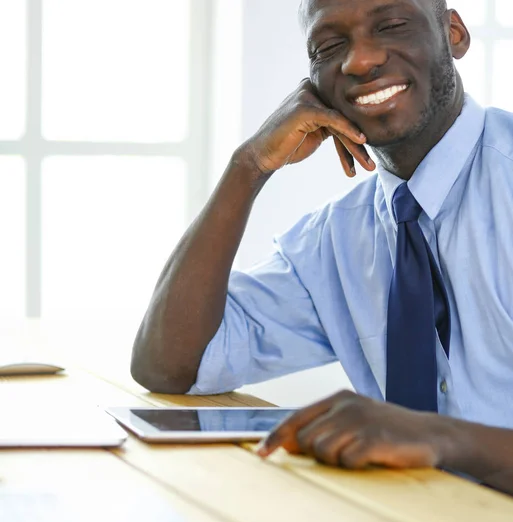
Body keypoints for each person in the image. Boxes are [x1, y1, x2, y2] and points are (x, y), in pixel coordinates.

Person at [131, 0, 513, 494]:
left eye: (391, 25)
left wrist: (437, 439)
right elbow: (169, 366)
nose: (359, 60)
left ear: (454, 34)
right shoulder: (337, 241)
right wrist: (248, 167)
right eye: (329, 46)